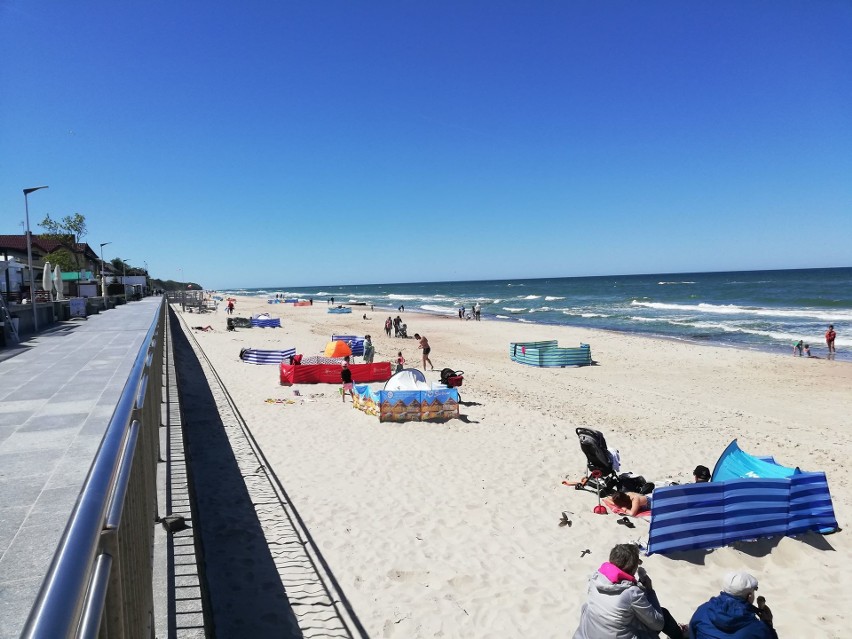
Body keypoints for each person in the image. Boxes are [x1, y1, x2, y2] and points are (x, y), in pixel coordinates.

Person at [573, 543, 686, 639]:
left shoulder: (596, 579)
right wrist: (649, 591)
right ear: (633, 568)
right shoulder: (632, 593)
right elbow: (658, 624)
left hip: (587, 634)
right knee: (663, 615)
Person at [690, 572, 777, 638]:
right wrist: (767, 623)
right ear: (749, 596)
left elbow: (692, 634)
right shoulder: (759, 629)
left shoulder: (702, 611)